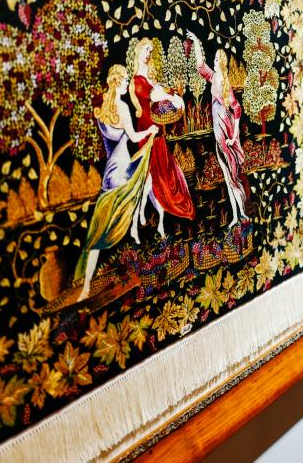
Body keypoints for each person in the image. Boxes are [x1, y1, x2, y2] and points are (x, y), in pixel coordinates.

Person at [75, 65, 158, 301]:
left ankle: (86, 286)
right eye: (125, 80)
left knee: (98, 233)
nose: (127, 84)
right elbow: (133, 136)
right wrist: (150, 131)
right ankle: (135, 228)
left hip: (108, 174)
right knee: (145, 183)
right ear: (118, 82)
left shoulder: (103, 108)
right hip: (121, 169)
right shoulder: (122, 107)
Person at [129, 38, 195, 234]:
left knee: (164, 173)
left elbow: (162, 93)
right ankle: (144, 213)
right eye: (146, 50)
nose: (148, 54)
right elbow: (153, 96)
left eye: (150, 51)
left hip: (158, 131)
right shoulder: (136, 80)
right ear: (138, 51)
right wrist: (166, 95)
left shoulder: (151, 76)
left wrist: (173, 95)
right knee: (150, 176)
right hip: (146, 133)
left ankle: (162, 217)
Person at [187, 31, 248, 226]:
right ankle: (236, 215)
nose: (213, 61)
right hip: (218, 134)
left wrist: (234, 136)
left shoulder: (225, 85)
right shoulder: (213, 78)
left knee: (232, 176)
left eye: (215, 59)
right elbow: (200, 66)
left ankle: (241, 213)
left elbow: (237, 109)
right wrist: (196, 41)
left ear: (221, 62)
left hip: (226, 134)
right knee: (227, 177)